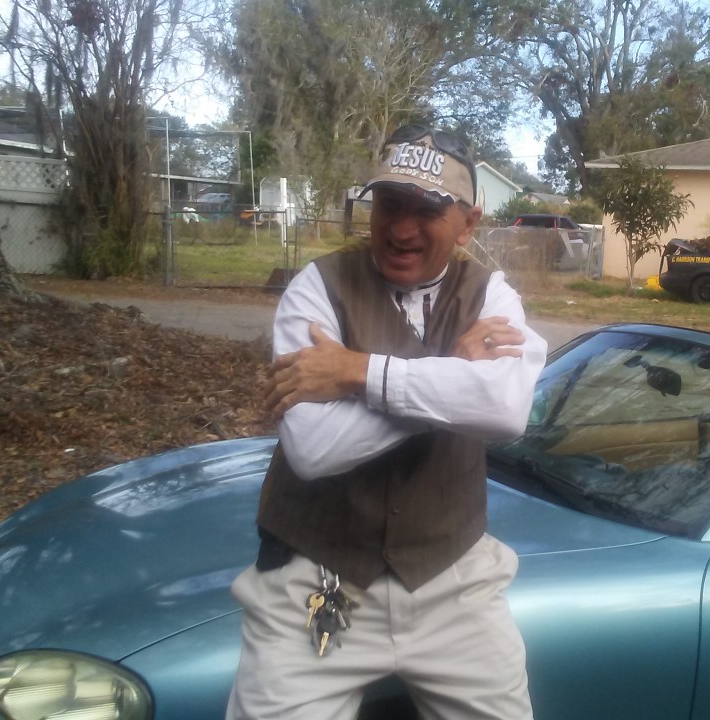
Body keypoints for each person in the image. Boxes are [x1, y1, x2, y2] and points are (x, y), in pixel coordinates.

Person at [226, 124, 548, 720]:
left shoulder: (493, 297)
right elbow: (314, 449)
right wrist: (455, 377)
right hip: (318, 580)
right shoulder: (316, 289)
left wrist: (357, 373)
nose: (401, 229)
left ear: (468, 223)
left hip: (454, 582)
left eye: (427, 210)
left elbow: (504, 409)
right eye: (390, 204)